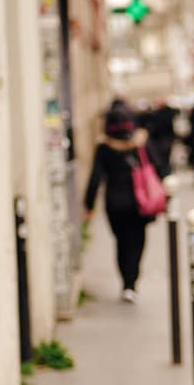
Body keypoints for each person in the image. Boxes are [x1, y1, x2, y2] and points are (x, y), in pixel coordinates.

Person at [84, 101, 163, 302]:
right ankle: (131, 282)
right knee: (137, 242)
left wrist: (89, 205)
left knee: (121, 243)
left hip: (115, 203)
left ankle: (126, 281)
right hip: (140, 202)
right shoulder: (139, 143)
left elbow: (95, 177)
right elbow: (158, 166)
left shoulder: (104, 147)